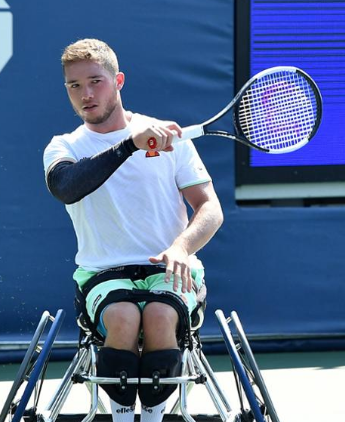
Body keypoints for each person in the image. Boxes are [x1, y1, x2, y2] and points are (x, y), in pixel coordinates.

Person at [42, 38, 224, 422]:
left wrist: (182, 248)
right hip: (102, 275)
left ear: (118, 81)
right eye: (75, 86)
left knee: (159, 316)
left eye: (96, 81)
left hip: (171, 271)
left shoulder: (171, 140)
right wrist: (130, 145)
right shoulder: (63, 146)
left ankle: (154, 417)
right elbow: (66, 187)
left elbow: (210, 208)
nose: (86, 94)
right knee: (123, 317)